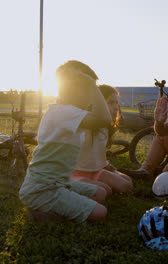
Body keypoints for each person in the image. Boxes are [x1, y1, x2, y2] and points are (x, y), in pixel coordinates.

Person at [19, 60, 113, 222]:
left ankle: (59, 205)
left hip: (58, 183)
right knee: (100, 212)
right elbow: (105, 119)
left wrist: (89, 84)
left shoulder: (70, 113)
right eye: (87, 89)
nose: (91, 95)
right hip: (42, 189)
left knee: (102, 193)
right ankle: (42, 208)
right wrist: (91, 84)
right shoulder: (63, 112)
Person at [71, 84, 133, 194]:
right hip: (75, 173)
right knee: (105, 190)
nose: (115, 107)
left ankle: (92, 184)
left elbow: (96, 153)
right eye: (110, 103)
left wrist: (107, 165)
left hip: (96, 171)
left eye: (116, 103)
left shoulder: (106, 127)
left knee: (127, 184)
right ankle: (74, 185)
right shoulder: (86, 126)